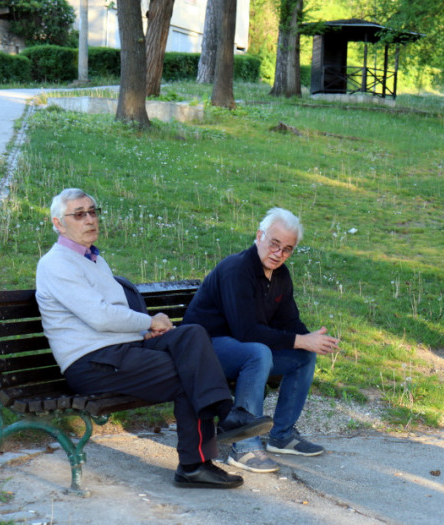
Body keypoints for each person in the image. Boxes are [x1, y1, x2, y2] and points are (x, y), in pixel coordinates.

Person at [35, 188, 272, 489]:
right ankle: (197, 462)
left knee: (193, 336)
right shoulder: (56, 264)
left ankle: (223, 421)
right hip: (92, 363)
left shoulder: (94, 259)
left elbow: (108, 316)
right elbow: (100, 316)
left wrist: (141, 331)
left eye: (93, 211)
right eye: (79, 214)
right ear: (58, 223)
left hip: (121, 350)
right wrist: (149, 321)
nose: (90, 219)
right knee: (191, 372)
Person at [183, 208, 340, 474]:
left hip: (238, 348)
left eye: (287, 249)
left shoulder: (281, 276)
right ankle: (244, 445)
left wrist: (311, 340)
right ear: (259, 236)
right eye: (274, 244)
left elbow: (289, 321)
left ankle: (282, 435)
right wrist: (300, 340)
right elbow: (247, 332)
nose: (279, 254)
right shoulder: (237, 269)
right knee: (258, 353)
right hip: (203, 348)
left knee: (302, 356)